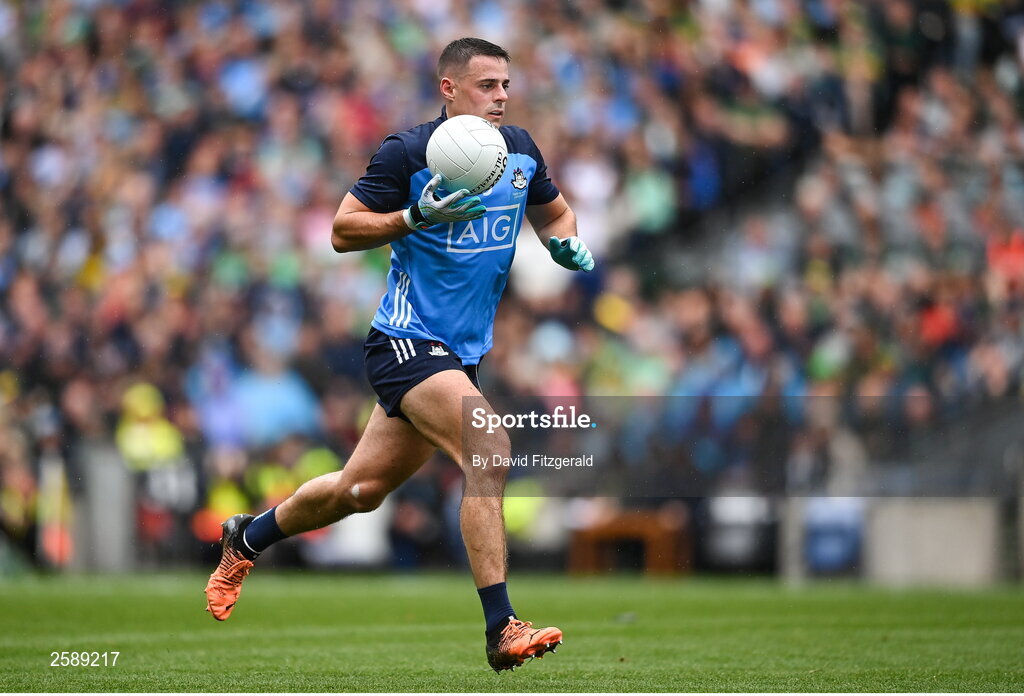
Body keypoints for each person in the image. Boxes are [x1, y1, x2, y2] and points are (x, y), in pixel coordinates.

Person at [203, 37, 595, 673]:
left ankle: (245, 536)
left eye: (505, 85)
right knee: (489, 446)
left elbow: (555, 215)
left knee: (357, 490)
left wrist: (566, 245)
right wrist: (413, 215)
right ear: (449, 87)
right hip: (405, 341)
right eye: (487, 85)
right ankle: (502, 626)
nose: (502, 96)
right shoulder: (408, 153)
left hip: (458, 356)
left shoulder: (520, 149)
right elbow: (341, 230)